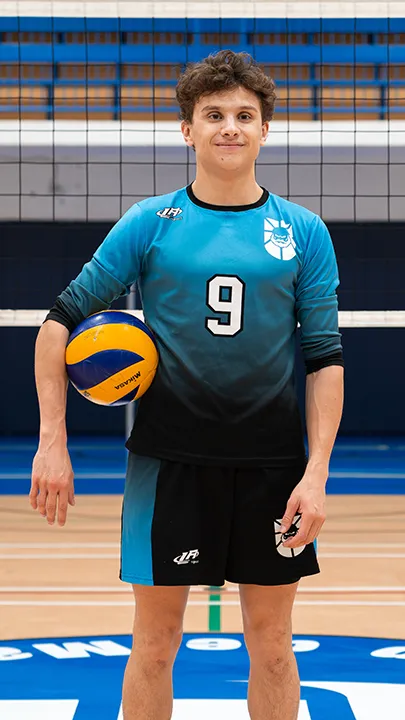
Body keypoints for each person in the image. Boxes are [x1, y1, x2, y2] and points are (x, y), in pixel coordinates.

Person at [30, 50, 344, 720]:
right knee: (154, 644)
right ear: (187, 129)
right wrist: (50, 440)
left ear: (264, 130)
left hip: (271, 467)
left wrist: (315, 473)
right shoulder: (150, 223)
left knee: (272, 644)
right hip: (167, 465)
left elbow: (323, 358)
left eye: (242, 115)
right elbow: (58, 323)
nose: (228, 127)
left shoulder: (303, 231)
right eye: (212, 115)